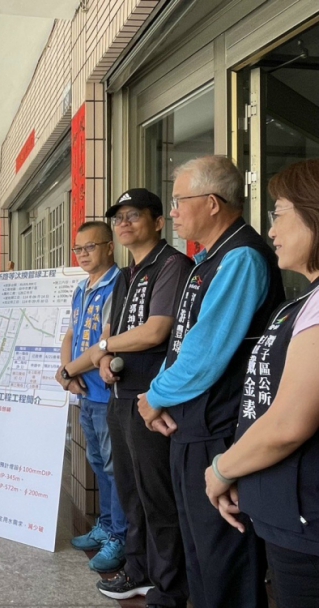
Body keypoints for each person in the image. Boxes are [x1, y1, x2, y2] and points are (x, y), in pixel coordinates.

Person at [138, 156, 284, 608]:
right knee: (201, 554)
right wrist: (158, 397)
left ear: (213, 203)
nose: (173, 212)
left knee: (225, 563)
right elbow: (184, 345)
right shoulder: (209, 259)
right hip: (194, 427)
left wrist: (154, 396)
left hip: (220, 432)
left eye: (179, 201)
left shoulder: (241, 257)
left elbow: (206, 355)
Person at [205, 159, 319, 608]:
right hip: (290, 515)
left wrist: (221, 470)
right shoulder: (303, 301)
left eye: (279, 212)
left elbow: (289, 423)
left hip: (307, 526)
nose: (271, 229)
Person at [90, 189, 192, 606]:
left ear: (158, 222)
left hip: (152, 399)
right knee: (130, 491)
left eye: (134, 215)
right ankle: (138, 569)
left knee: (156, 496)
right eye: (119, 218)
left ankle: (168, 585)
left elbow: (156, 330)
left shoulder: (171, 265)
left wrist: (103, 348)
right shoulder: (126, 274)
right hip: (120, 395)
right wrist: (104, 356)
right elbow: (111, 332)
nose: (124, 224)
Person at [54, 221, 127, 573]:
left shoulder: (119, 284)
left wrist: (70, 372)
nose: (83, 254)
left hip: (109, 393)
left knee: (115, 469)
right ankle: (107, 525)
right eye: (78, 249)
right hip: (86, 394)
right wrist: (66, 371)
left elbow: (105, 343)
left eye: (90, 247)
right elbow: (71, 333)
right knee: (99, 464)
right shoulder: (82, 288)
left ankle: (121, 536)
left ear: (109, 247)